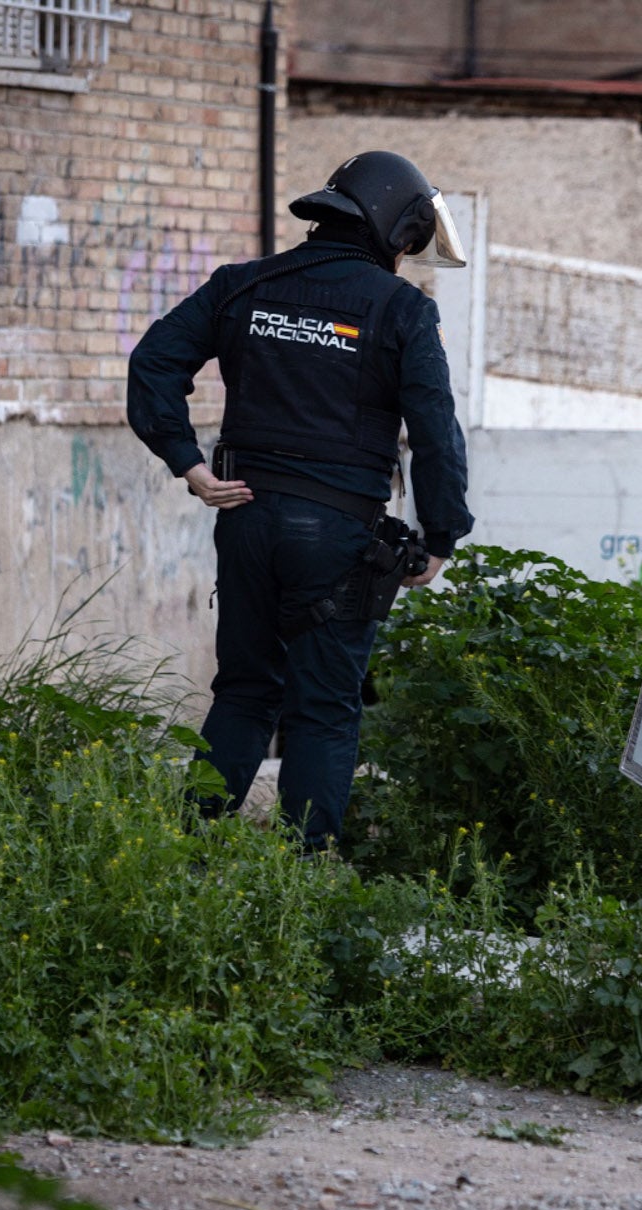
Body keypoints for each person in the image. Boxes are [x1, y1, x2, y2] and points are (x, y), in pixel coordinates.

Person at [128, 151, 474, 852]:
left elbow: (154, 361)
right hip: (338, 536)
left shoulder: (244, 284)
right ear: (392, 230)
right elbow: (436, 427)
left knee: (245, 691)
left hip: (246, 517)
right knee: (322, 709)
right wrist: (442, 531)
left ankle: (186, 852)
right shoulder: (402, 309)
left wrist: (189, 465)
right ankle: (305, 877)